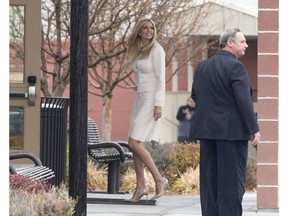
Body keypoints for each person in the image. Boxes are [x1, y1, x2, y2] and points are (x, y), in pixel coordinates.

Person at [189, 28, 260, 216]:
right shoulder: (236, 67)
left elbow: (195, 95)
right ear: (230, 43)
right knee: (231, 182)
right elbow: (243, 100)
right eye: (243, 41)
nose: (246, 45)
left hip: (207, 132)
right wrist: (254, 128)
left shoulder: (202, 66)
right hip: (232, 134)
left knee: (209, 181)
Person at [125, 17, 168, 202]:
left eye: (152, 27)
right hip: (140, 98)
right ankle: (141, 186)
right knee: (135, 145)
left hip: (151, 99)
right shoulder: (139, 51)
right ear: (139, 31)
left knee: (134, 142)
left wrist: (159, 104)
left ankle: (159, 179)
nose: (149, 30)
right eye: (145, 28)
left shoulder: (157, 50)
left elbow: (161, 79)